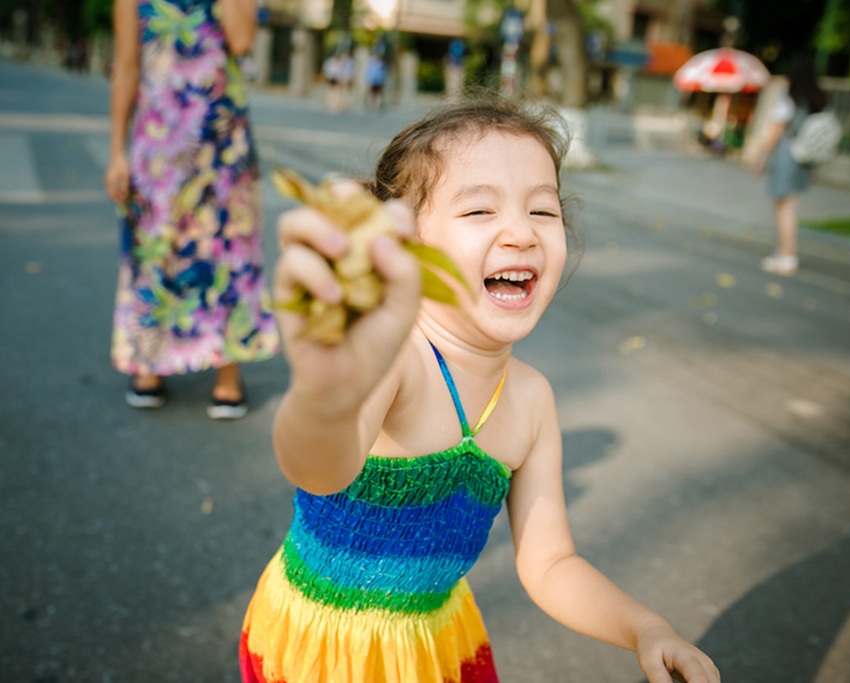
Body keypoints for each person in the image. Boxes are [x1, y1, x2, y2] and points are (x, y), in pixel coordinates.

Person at [238, 97, 720, 683]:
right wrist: (322, 398)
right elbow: (318, 469)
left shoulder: (532, 401)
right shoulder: (394, 362)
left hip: (440, 643)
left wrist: (646, 628)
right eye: (479, 211)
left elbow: (550, 563)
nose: (521, 232)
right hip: (328, 651)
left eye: (543, 210)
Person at [104, 0, 279, 419]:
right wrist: (116, 151)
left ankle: (227, 373)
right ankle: (150, 362)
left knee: (228, 250)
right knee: (153, 250)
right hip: (159, 141)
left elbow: (241, 39)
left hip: (222, 143)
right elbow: (127, 66)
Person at [752, 53, 828, 277]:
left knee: (784, 207)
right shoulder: (818, 99)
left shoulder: (789, 97)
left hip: (787, 156)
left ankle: (787, 256)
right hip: (806, 158)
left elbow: (776, 130)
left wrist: (760, 156)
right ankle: (783, 254)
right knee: (788, 205)